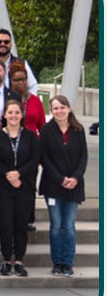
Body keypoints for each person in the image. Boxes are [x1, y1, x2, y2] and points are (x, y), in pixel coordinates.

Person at [0, 101, 38, 277]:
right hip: (4, 186)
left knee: (20, 223)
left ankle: (19, 260)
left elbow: (34, 159)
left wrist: (19, 174)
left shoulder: (30, 136)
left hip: (24, 186)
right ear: (4, 115)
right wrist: (9, 175)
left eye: (17, 112)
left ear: (21, 115)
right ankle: (6, 259)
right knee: (5, 223)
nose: (14, 116)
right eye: (10, 112)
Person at [40, 96, 86, 277]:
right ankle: (57, 262)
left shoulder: (78, 130)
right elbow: (44, 158)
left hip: (74, 186)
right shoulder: (47, 130)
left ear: (69, 108)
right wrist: (60, 179)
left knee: (69, 226)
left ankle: (68, 262)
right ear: (51, 111)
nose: (59, 111)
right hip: (54, 185)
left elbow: (83, 157)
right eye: (55, 108)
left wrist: (75, 178)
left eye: (62, 107)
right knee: (56, 225)